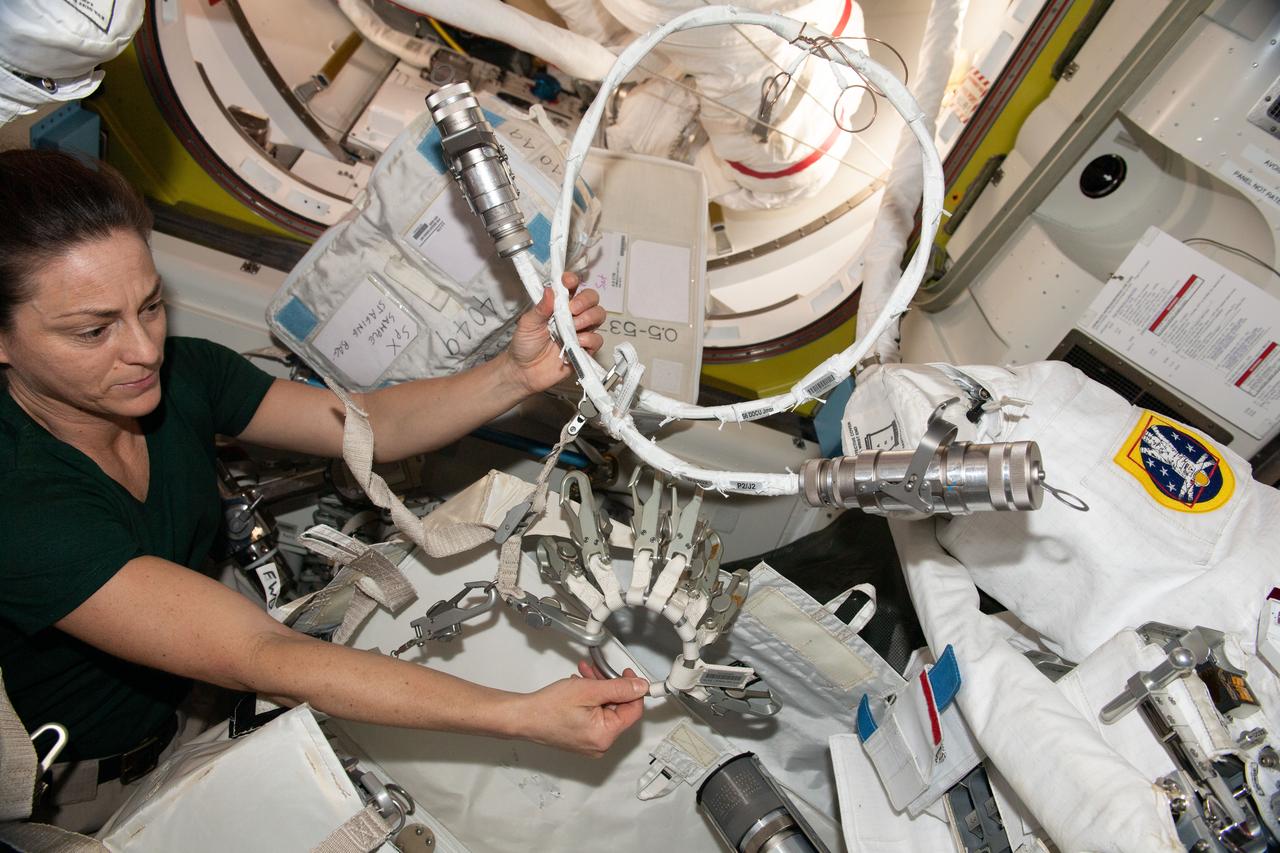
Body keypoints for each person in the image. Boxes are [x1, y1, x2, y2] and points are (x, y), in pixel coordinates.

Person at [0, 149, 647, 832]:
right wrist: (516, 714)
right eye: (93, 330)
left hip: (185, 704)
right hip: (79, 787)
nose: (143, 348)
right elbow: (264, 656)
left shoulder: (184, 375)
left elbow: (368, 426)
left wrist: (513, 376)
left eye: (152, 305)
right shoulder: (22, 502)